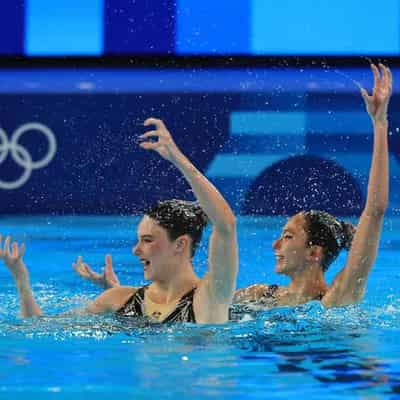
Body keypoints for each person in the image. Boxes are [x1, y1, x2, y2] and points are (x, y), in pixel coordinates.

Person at [74, 64, 392, 310]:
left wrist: (379, 124)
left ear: (314, 253)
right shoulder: (259, 294)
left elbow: (375, 212)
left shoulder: (336, 299)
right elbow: (196, 302)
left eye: (288, 236)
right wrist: (126, 296)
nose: (275, 245)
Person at [0, 118, 238, 324]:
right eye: (139, 240)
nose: (136, 250)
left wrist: (178, 160)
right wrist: (21, 280)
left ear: (180, 244)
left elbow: (225, 226)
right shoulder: (119, 299)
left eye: (148, 240)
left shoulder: (210, 298)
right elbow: (40, 328)